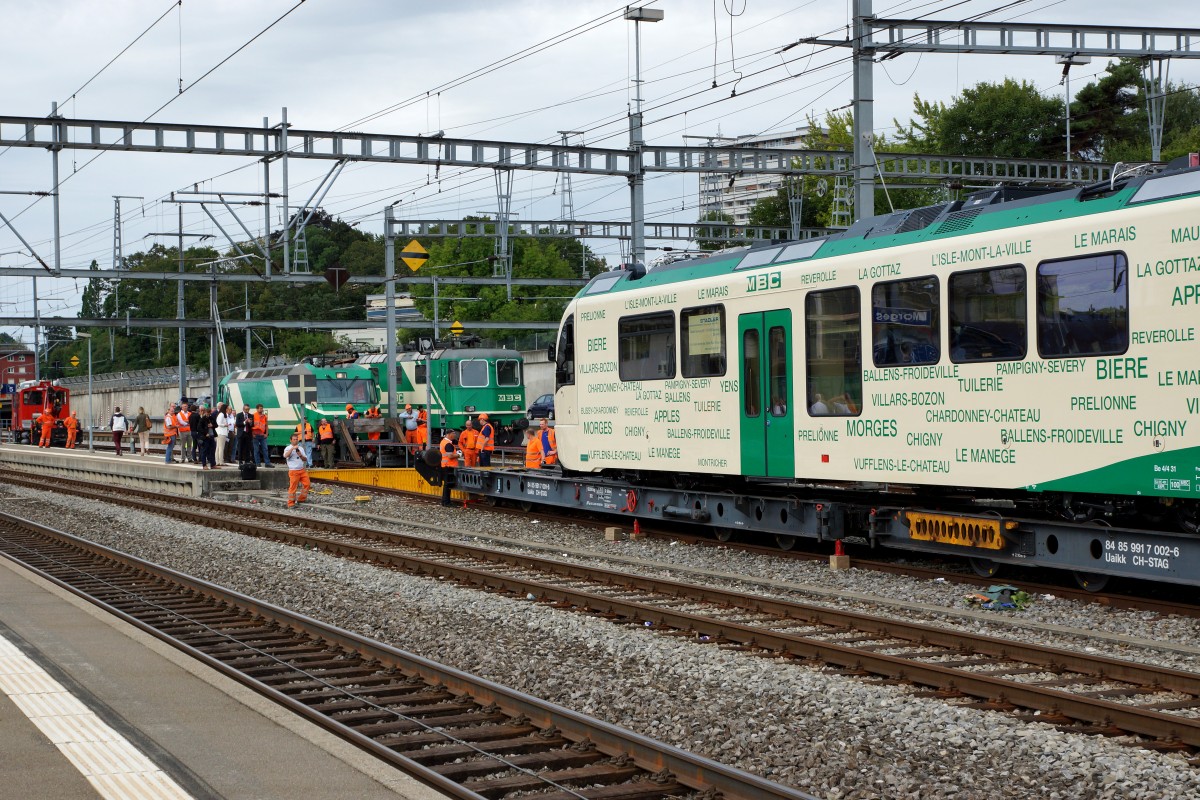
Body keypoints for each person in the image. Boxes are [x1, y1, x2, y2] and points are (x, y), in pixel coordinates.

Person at [283, 431, 311, 508]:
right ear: (290, 440)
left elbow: (305, 459)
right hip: (293, 471)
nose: (296, 440)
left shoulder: (301, 448)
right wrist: (292, 449)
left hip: (302, 470)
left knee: (307, 484)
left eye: (297, 439)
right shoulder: (288, 448)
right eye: (294, 439)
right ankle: (290, 503)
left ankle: (301, 499)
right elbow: (285, 456)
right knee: (293, 487)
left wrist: (301, 455)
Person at [438, 429, 460, 507]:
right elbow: (450, 456)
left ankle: (445, 501)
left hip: (445, 465)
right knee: (448, 485)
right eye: (454, 434)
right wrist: (459, 455)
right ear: (449, 434)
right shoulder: (448, 444)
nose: (455, 435)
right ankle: (447, 502)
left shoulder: (443, 442)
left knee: (446, 485)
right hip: (449, 466)